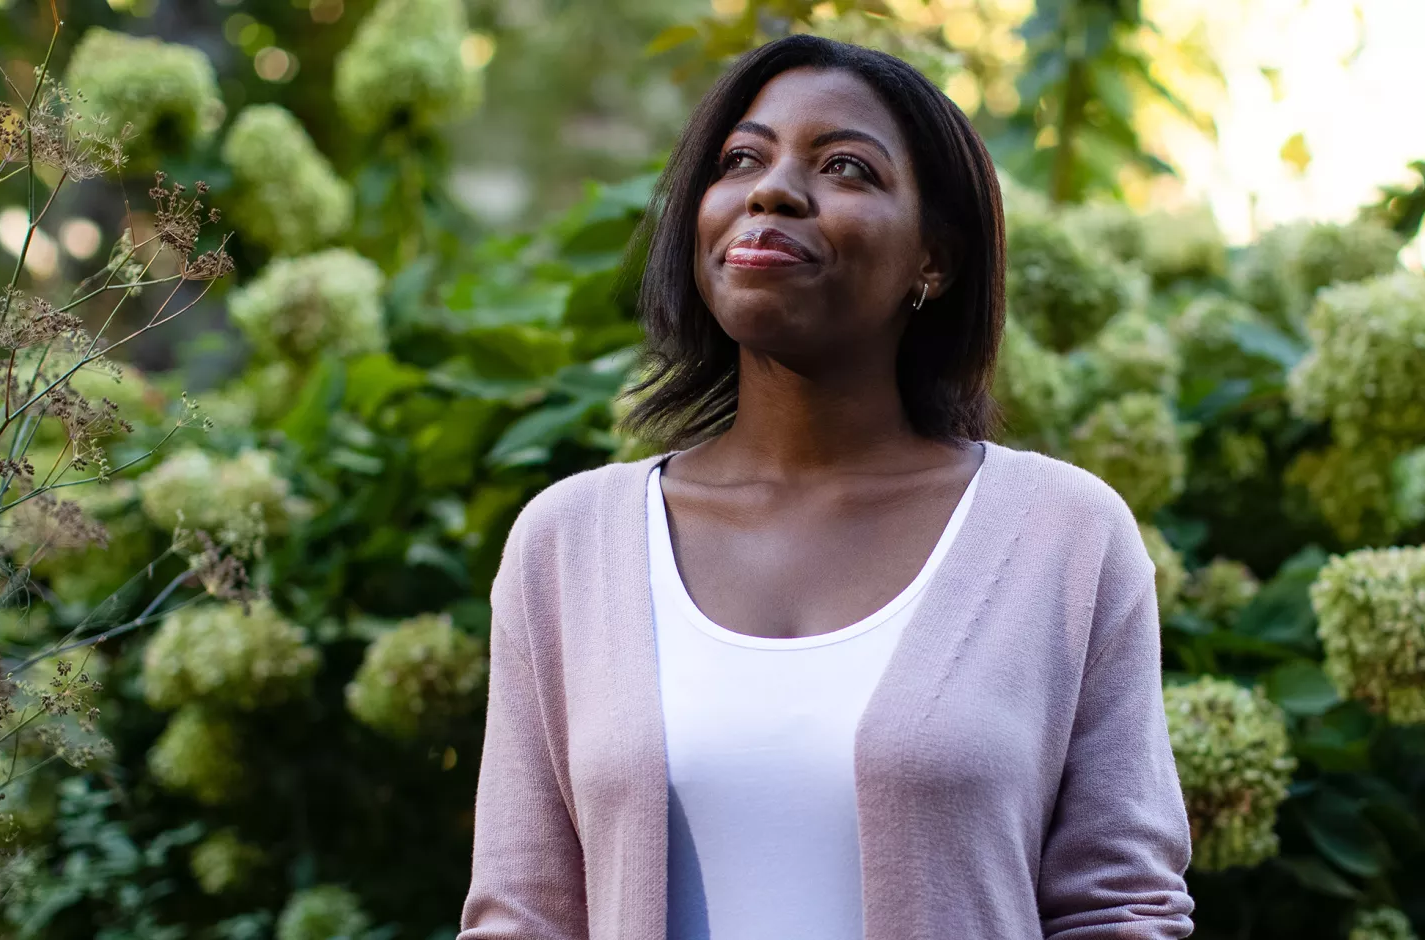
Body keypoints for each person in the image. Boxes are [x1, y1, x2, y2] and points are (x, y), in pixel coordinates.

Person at [459, 33, 1195, 940]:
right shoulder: (567, 544)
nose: (771, 190)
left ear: (936, 259)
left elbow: (1119, 909)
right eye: (741, 159)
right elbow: (520, 916)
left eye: (846, 167)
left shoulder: (1065, 536)